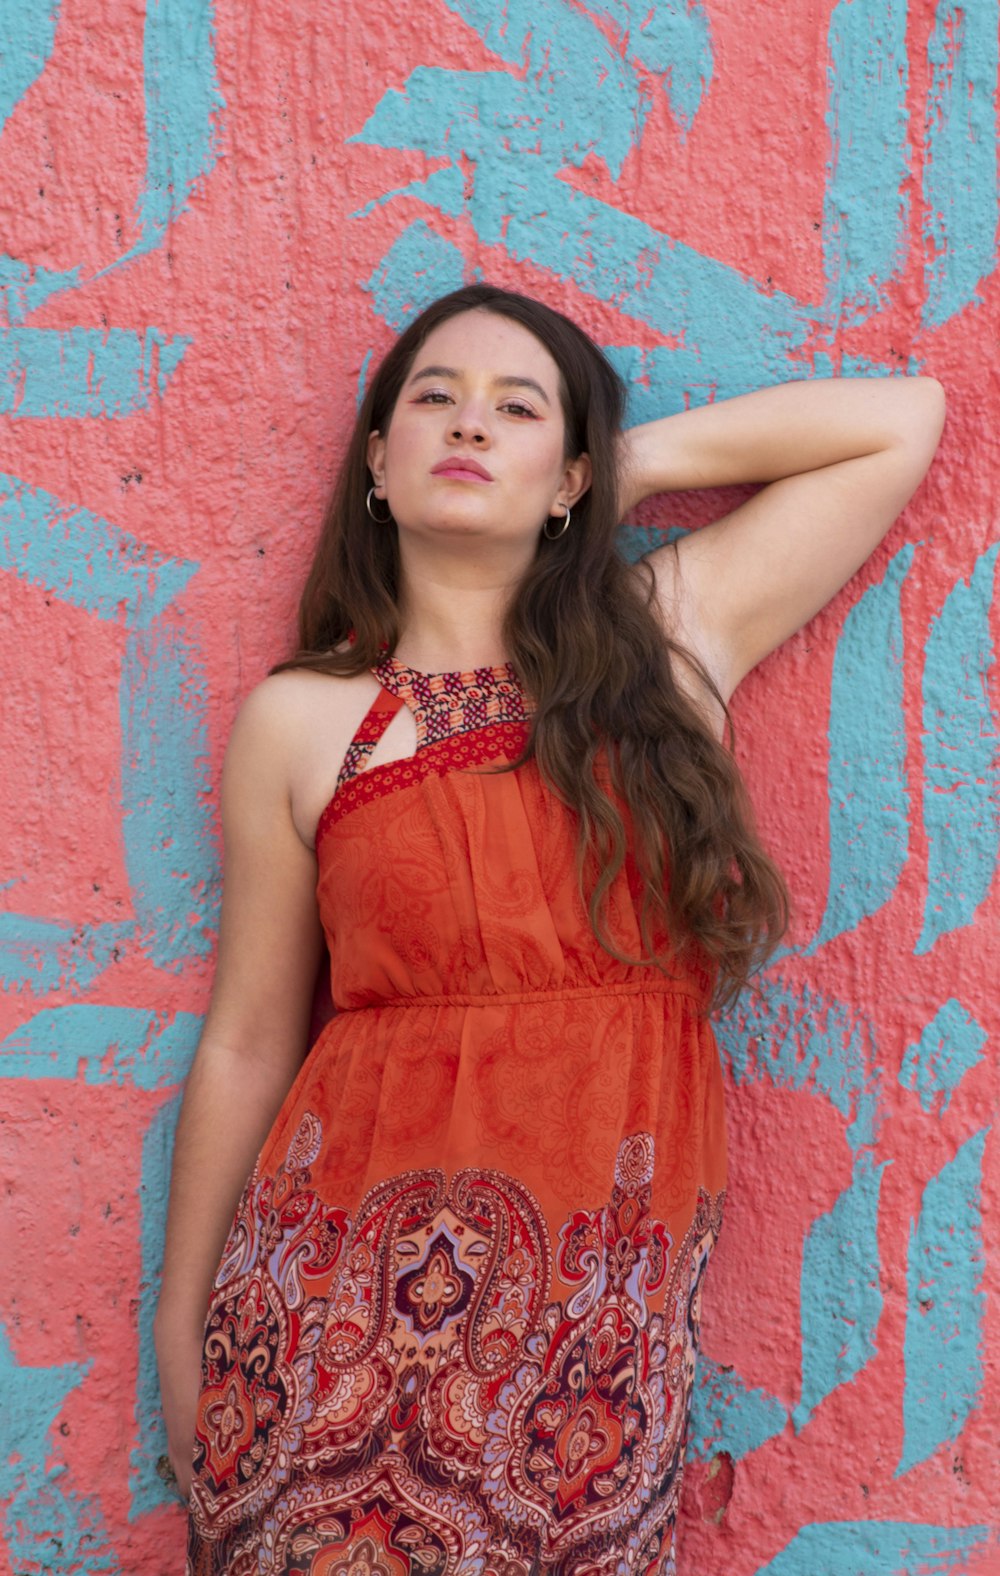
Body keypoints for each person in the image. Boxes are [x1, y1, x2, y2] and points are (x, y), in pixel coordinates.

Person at [155, 284, 944, 1575]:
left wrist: (611, 471)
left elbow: (900, 423)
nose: (469, 426)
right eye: (433, 402)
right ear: (376, 460)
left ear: (573, 472)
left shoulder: (668, 643)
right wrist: (180, 1323)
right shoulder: (304, 721)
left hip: (586, 1358)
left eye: (517, 410)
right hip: (322, 1327)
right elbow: (248, 1041)